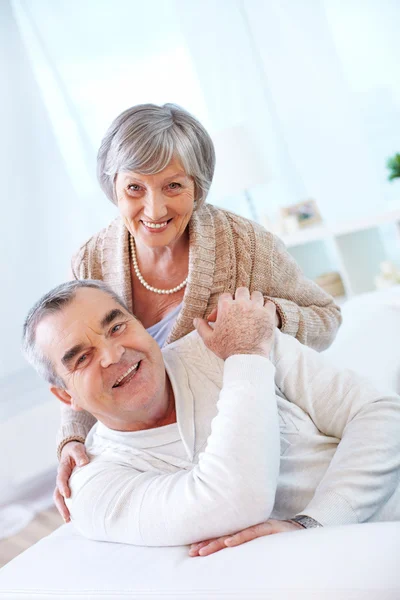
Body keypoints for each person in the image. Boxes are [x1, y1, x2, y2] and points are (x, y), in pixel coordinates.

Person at [56, 103, 342, 521]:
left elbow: (326, 318)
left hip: (249, 442)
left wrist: (265, 318)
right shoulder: (91, 261)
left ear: (198, 186)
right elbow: (78, 363)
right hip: (155, 461)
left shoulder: (245, 244)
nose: (154, 211)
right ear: (112, 186)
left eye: (173, 186)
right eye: (135, 188)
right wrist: (71, 438)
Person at [23, 280, 400, 555]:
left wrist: (317, 521)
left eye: (117, 326)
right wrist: (248, 359)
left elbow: (379, 411)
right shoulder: (90, 488)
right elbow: (236, 500)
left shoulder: (228, 341)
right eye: (82, 358)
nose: (113, 354)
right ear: (65, 395)